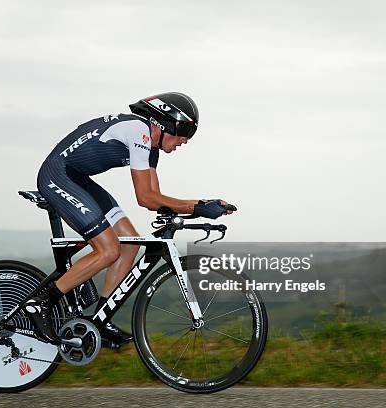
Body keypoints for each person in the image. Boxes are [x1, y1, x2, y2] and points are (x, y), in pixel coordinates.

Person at [24, 92, 233, 347]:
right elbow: (145, 198)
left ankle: (99, 320)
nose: (185, 141)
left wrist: (198, 206)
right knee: (109, 250)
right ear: (164, 122)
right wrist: (197, 206)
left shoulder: (151, 149)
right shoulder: (139, 131)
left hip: (78, 179)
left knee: (130, 244)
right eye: (184, 131)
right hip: (58, 176)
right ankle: (40, 303)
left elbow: (156, 197)